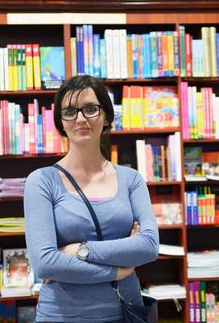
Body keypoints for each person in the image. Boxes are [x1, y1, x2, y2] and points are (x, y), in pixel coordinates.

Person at [24, 75, 159, 322]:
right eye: (70, 111)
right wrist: (117, 270)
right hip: (61, 316)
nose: (80, 119)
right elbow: (45, 263)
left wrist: (81, 250)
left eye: (90, 109)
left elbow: (149, 246)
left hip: (125, 312)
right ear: (61, 122)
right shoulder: (41, 181)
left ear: (106, 116)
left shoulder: (131, 179)